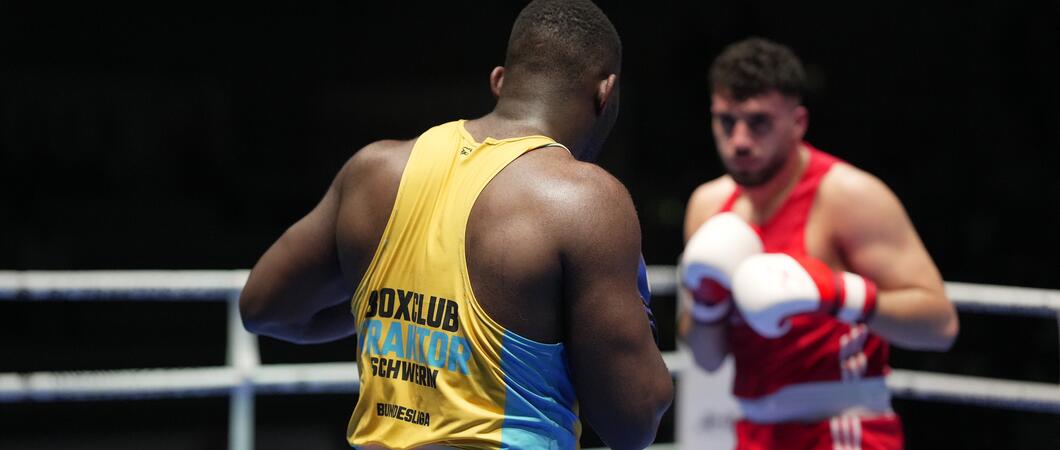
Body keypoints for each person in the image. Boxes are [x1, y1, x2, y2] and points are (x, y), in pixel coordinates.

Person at [239, 1, 673, 449]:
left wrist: (395, 312)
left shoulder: (373, 170)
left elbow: (264, 308)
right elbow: (633, 423)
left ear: (500, 81)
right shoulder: (583, 200)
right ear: (606, 92)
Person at [679, 37, 959, 449]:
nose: (738, 140)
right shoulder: (708, 207)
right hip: (753, 429)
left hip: (843, 427)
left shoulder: (849, 196)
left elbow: (940, 326)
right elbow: (706, 359)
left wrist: (840, 292)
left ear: (798, 123)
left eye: (758, 123)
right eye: (726, 122)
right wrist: (707, 305)